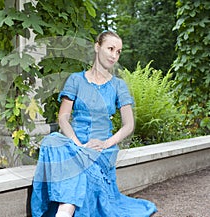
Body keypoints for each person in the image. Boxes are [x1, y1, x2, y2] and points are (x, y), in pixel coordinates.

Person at [31, 30, 157, 217]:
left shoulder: (118, 86)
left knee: (79, 159)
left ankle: (65, 210)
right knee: (52, 141)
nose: (114, 55)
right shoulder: (75, 79)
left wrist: (106, 143)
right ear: (97, 47)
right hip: (75, 143)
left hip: (101, 147)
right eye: (111, 49)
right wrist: (77, 144)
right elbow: (63, 118)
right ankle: (66, 208)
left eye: (118, 52)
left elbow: (128, 125)